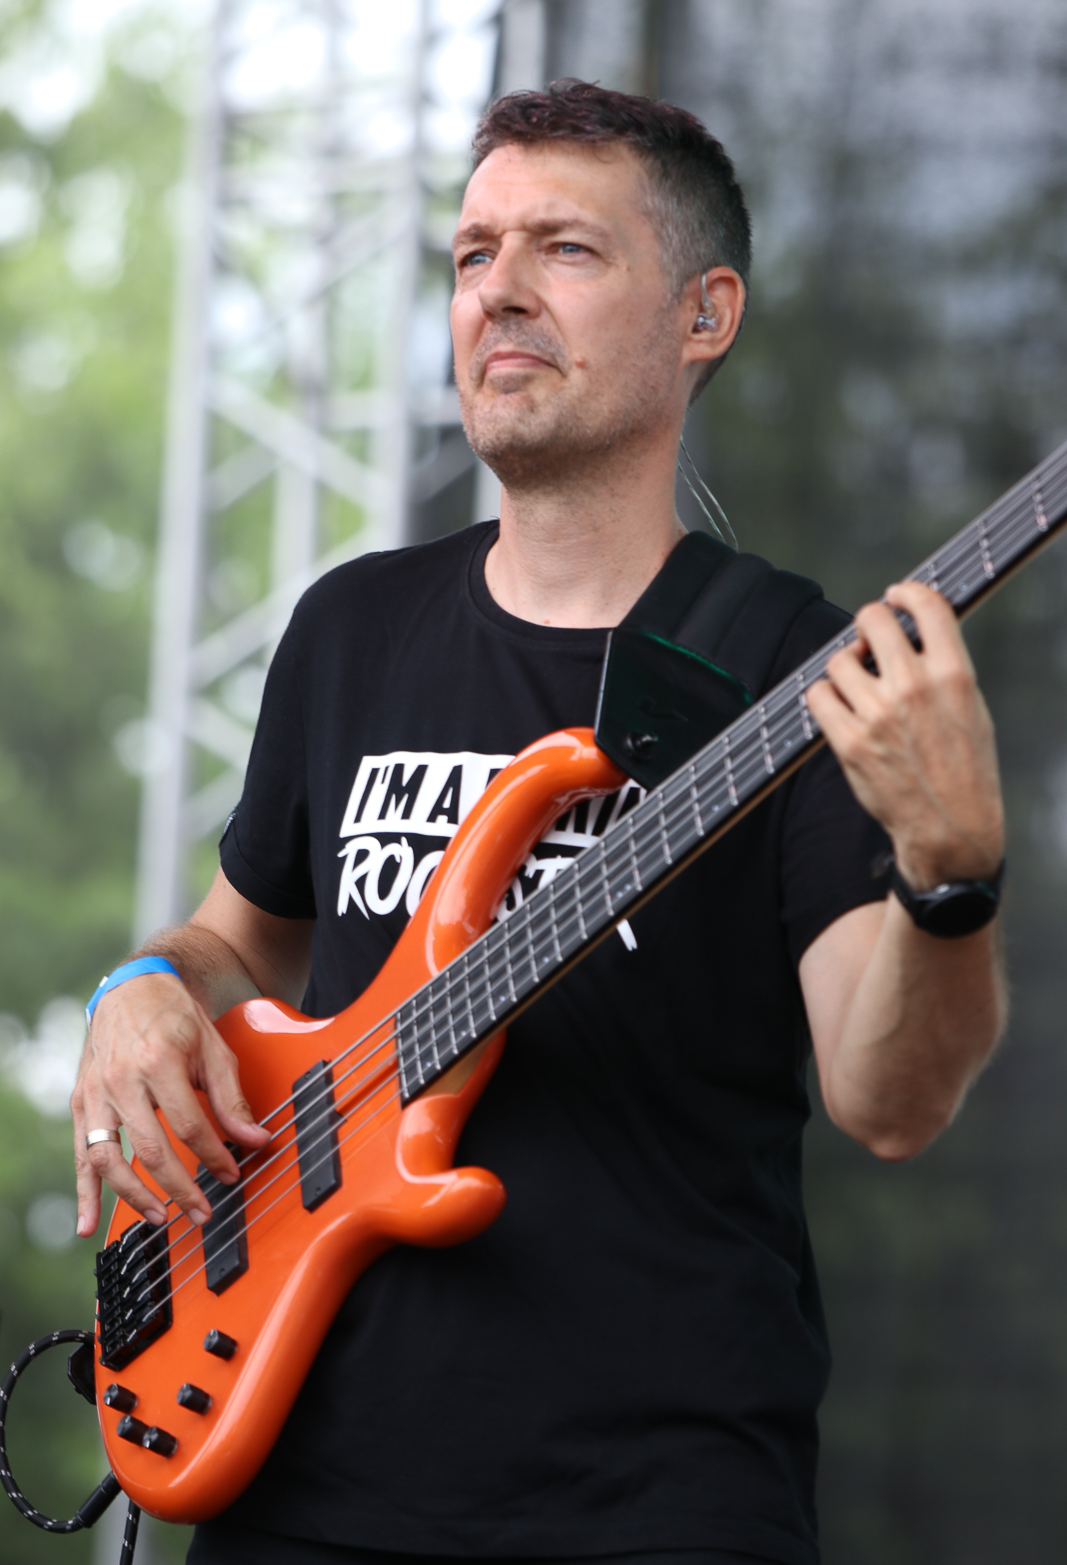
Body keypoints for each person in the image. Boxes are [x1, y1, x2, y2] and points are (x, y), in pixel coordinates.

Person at [72, 83, 1006, 1565]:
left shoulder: (794, 671)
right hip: (295, 1479)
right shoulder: (353, 625)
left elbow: (889, 1098)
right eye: (471, 253)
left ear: (705, 314)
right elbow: (229, 947)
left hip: (650, 1503)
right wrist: (139, 991)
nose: (497, 289)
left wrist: (949, 879)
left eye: (564, 248)